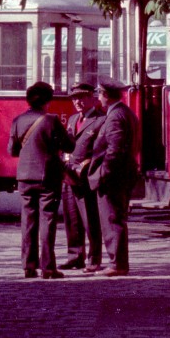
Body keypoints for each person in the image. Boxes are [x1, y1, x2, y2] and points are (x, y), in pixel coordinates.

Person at [8, 81, 73, 279]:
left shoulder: (18, 120)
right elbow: (69, 146)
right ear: (47, 100)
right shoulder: (51, 120)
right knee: (47, 220)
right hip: (47, 177)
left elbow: (12, 151)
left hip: (25, 177)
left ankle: (28, 266)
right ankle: (48, 267)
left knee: (28, 220)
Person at [87, 79, 140, 276]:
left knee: (112, 219)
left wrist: (103, 174)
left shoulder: (115, 116)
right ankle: (118, 262)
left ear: (106, 95)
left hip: (113, 178)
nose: (98, 98)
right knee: (116, 219)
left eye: (99, 94)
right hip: (123, 174)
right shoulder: (126, 113)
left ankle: (116, 264)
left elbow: (114, 150)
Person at [63, 82, 106, 272]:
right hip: (70, 175)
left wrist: (85, 165)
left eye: (81, 97)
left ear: (92, 98)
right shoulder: (72, 119)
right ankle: (75, 256)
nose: (77, 102)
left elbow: (100, 149)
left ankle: (94, 259)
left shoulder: (100, 120)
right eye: (74, 98)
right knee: (71, 218)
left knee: (90, 219)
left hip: (87, 176)